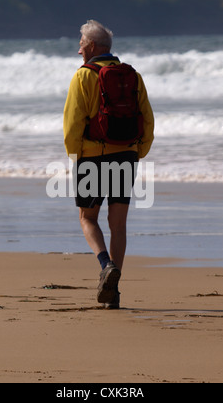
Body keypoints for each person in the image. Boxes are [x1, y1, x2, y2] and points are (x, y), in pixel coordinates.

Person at [64, 20, 154, 309]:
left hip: (93, 155)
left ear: (91, 46)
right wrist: (138, 151)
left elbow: (73, 123)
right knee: (118, 225)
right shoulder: (133, 76)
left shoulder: (83, 76)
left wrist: (75, 155)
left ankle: (105, 265)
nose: (79, 50)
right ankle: (113, 293)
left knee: (87, 218)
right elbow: (147, 119)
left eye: (81, 44)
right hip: (125, 154)